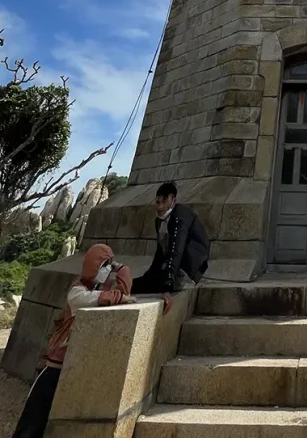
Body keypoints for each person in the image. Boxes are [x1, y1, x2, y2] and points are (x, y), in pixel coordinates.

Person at [12, 243, 133, 438]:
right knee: (33, 419)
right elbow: (110, 297)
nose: (106, 270)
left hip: (74, 363)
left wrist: (121, 269)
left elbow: (123, 291)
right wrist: (120, 291)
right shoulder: (77, 292)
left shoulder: (95, 287)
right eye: (104, 265)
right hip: (55, 367)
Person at [132, 181, 209, 306]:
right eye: (158, 202)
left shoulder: (180, 217)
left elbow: (176, 249)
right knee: (140, 284)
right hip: (170, 265)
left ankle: (172, 281)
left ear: (173, 201)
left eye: (164, 202)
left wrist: (167, 286)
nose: (161, 207)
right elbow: (160, 251)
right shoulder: (159, 221)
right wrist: (149, 275)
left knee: (153, 285)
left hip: (187, 265)